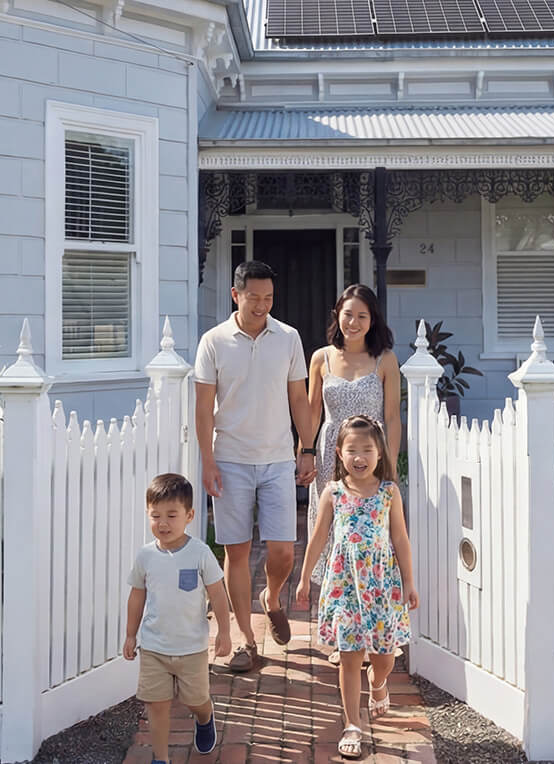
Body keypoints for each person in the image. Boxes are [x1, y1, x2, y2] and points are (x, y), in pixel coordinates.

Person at [194, 260, 319, 672]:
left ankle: (273, 595)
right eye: (254, 298)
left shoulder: (288, 338)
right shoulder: (213, 342)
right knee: (237, 551)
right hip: (229, 460)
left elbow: (299, 399)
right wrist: (208, 461)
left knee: (283, 551)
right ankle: (248, 640)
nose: (262, 305)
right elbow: (203, 408)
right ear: (236, 295)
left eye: (268, 298)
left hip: (278, 460)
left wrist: (308, 449)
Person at [294, 415, 418, 759]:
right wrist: (304, 578)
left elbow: (400, 539)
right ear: (339, 452)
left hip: (381, 586)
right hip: (345, 586)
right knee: (349, 660)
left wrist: (409, 582)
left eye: (367, 449)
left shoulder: (389, 492)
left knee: (383, 658)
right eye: (352, 450)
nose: (359, 456)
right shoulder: (333, 492)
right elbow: (318, 537)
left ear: (380, 453)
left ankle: (379, 684)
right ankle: (352, 724)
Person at [306, 284, 402, 646]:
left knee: (367, 541)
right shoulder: (321, 358)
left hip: (370, 459)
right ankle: (338, 633)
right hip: (331, 455)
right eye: (348, 314)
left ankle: (371, 627)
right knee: (332, 539)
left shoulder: (385, 360)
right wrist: (303, 451)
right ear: (338, 316)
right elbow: (313, 413)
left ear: (372, 319)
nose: (354, 322)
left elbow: (392, 417)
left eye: (362, 315)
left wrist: (387, 464)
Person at [123, 473, 231, 763]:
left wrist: (224, 632)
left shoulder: (200, 553)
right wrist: (131, 634)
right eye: (155, 515)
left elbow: (219, 595)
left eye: (172, 515)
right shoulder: (145, 556)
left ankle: (205, 716)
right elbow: (137, 597)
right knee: (156, 705)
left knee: (194, 699)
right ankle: (161, 758)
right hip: (154, 646)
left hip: (191, 648)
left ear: (189, 515)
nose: (163, 523)